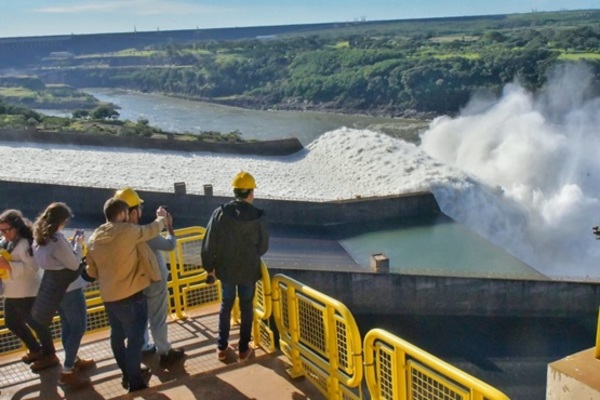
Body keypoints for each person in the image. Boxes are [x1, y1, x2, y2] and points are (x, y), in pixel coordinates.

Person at [85, 198, 166, 392]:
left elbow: (92, 272)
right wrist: (161, 218)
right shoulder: (127, 232)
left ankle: (126, 374)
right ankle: (135, 381)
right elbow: (151, 230)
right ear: (122, 214)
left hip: (110, 298)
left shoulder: (94, 238)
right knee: (136, 340)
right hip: (132, 296)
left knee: (117, 336)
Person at [201, 171, 269, 361]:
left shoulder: (221, 212)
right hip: (248, 270)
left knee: (226, 305)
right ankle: (243, 349)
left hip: (226, 270)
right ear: (250, 193)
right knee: (247, 307)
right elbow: (263, 247)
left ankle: (221, 348)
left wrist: (210, 266)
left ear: (235, 191)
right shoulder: (258, 216)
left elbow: (209, 241)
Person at [114, 187, 185, 367]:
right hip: (154, 282)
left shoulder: (115, 234)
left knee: (140, 319)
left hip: (132, 284)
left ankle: (144, 346)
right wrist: (168, 225)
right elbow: (170, 245)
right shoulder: (143, 233)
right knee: (157, 318)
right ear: (133, 211)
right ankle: (164, 351)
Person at [31, 202, 94, 389]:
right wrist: (78, 244)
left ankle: (72, 359)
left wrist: (72, 245)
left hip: (55, 289)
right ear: (61, 220)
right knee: (78, 327)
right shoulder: (57, 240)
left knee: (67, 325)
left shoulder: (38, 238)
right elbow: (74, 264)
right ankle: (67, 371)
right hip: (71, 289)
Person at [0, 210, 44, 365]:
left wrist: (8, 265)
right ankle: (36, 349)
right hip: (11, 291)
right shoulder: (5, 241)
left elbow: (33, 267)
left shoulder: (26, 243)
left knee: (35, 323)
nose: (4, 233)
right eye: (1, 230)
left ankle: (47, 353)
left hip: (26, 291)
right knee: (11, 322)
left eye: (7, 230)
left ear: (16, 227)